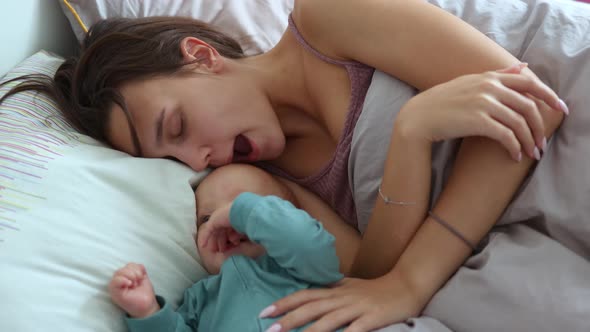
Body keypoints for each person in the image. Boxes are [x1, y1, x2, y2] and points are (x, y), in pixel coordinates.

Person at [3, 0, 589, 331]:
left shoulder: (328, 19)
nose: (197, 158)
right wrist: (411, 137)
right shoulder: (264, 187)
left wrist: (408, 282)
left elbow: (534, 101)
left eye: (177, 128)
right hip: (505, 217)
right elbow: (370, 275)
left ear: (202, 57)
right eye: (173, 157)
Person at [108, 164, 360, 332]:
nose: (222, 221)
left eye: (242, 206)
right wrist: (148, 312)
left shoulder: (302, 266)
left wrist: (243, 212)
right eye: (206, 218)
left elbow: (306, 241)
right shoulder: (200, 299)